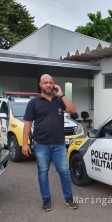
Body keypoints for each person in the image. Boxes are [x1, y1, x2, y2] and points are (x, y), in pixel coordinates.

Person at [22, 74, 78, 212]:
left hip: (59, 144)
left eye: (51, 83)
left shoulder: (60, 100)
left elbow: (73, 110)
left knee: (64, 171)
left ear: (54, 85)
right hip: (41, 144)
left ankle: (69, 197)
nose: (48, 85)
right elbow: (28, 123)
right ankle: (46, 199)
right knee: (43, 172)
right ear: (40, 85)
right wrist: (24, 143)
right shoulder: (33, 102)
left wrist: (62, 95)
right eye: (45, 83)